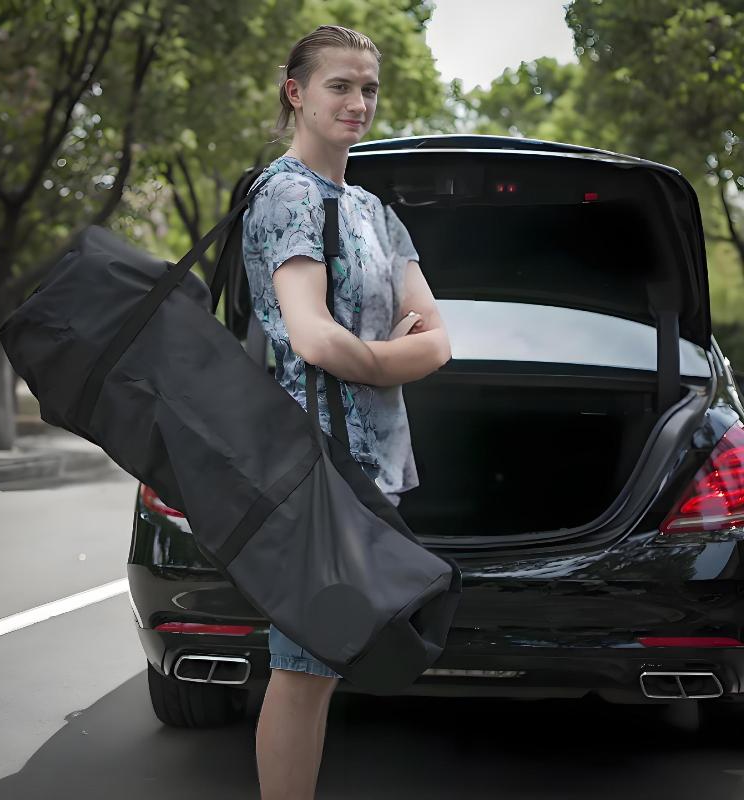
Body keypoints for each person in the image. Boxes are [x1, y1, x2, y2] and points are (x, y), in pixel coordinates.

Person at [241, 24, 451, 800]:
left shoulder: (372, 210)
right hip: (315, 461)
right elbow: (312, 337)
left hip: (371, 469)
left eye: (368, 88)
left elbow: (439, 341)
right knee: (303, 669)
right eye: (340, 86)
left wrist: (374, 354)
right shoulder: (286, 193)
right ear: (296, 92)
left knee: (320, 666)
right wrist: (389, 355)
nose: (358, 102)